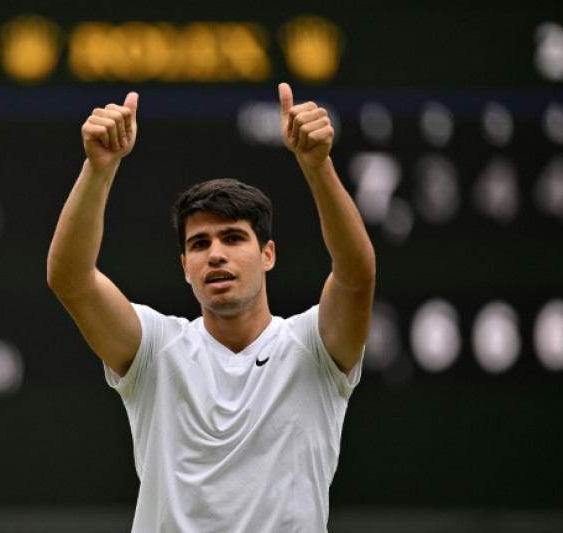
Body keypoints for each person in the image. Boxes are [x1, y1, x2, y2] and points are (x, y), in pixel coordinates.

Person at [47, 83, 375, 532]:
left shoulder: (313, 347)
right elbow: (71, 278)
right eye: (199, 244)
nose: (215, 254)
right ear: (185, 266)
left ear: (268, 255)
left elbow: (357, 276)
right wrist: (98, 169)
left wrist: (317, 167)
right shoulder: (156, 349)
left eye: (234, 238)